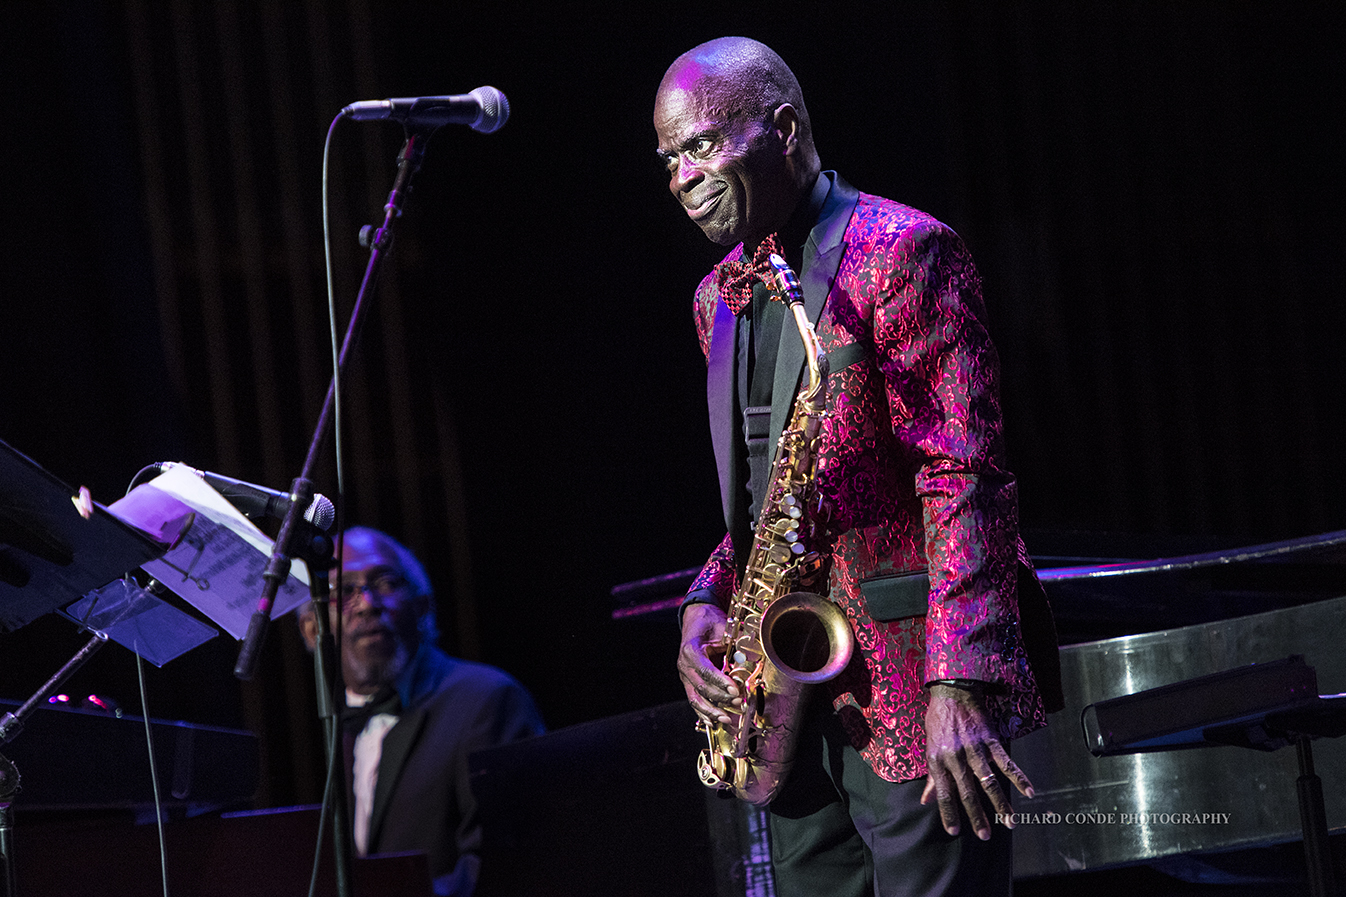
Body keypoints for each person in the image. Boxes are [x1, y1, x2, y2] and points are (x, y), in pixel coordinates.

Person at [658, 38, 1064, 896]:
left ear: (783, 125)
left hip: (918, 697)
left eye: (699, 146)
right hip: (791, 708)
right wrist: (707, 597)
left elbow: (966, 475)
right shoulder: (716, 300)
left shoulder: (905, 250)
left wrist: (959, 681)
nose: (681, 178)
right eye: (669, 158)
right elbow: (774, 500)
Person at [299, 526, 545, 897]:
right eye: (343, 591)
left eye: (383, 582)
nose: (366, 603)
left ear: (422, 605)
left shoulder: (487, 700)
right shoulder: (331, 726)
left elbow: (505, 866)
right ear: (312, 629)